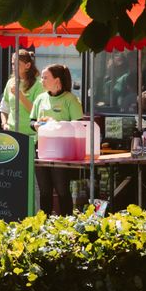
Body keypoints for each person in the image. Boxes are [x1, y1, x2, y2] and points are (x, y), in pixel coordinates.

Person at [31, 63, 84, 216]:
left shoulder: (70, 99)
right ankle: (45, 222)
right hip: (41, 148)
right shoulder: (40, 98)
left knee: (62, 189)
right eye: (41, 77)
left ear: (57, 80)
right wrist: (36, 125)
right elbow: (32, 121)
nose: (41, 80)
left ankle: (66, 221)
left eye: (45, 77)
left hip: (62, 151)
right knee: (44, 190)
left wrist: (58, 126)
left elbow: (78, 125)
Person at [0, 49, 44, 134]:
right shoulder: (10, 82)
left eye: (17, 64)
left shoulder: (39, 84)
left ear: (28, 65)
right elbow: (4, 108)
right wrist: (4, 123)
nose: (13, 67)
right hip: (12, 133)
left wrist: (20, 96)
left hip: (31, 135)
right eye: (13, 64)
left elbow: (37, 113)